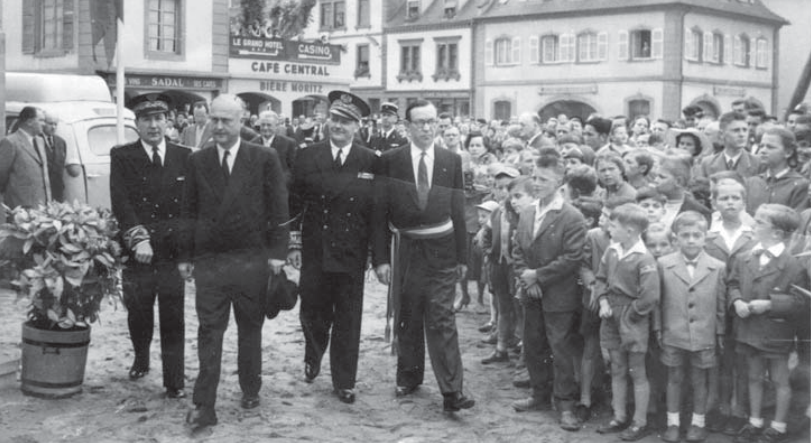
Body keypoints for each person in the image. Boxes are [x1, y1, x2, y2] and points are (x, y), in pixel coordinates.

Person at [179, 94, 289, 430]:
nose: (220, 127)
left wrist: (277, 254)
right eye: (214, 119)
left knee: (249, 328)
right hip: (211, 262)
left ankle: (250, 386)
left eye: (227, 120)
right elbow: (188, 211)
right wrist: (184, 255)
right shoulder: (198, 161)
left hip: (250, 261)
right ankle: (203, 404)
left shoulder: (264, 157)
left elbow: (278, 208)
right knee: (209, 331)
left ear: (242, 121)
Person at [373, 99, 475, 413]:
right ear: (407, 126)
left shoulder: (450, 160)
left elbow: (459, 211)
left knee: (442, 319)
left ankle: (452, 391)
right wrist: (380, 259)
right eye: (420, 122)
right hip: (407, 250)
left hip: (442, 251)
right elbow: (379, 213)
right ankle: (409, 376)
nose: (427, 128)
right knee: (409, 315)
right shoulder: (390, 160)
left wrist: (463, 257)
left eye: (432, 122)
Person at [287, 91, 383, 405]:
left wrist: (374, 254)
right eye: (335, 119)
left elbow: (375, 212)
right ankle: (313, 355)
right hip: (315, 248)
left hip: (351, 252)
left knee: (348, 318)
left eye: (346, 122)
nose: (338, 126)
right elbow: (294, 202)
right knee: (312, 311)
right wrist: (294, 241)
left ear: (358, 126)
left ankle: (344, 380)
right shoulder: (307, 155)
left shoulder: (370, 160)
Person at [109, 93, 190, 399]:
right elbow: (122, 202)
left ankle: (174, 380)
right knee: (139, 313)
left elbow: (189, 207)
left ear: (168, 122)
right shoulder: (123, 156)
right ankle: (141, 357)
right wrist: (138, 238)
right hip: (138, 252)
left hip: (171, 253)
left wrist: (186, 250)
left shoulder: (185, 155)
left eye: (159, 119)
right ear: (137, 124)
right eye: (147, 120)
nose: (154, 126)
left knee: (173, 316)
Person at [512, 151, 586, 431]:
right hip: (531, 293)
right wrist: (527, 280)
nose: (537, 182)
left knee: (560, 349)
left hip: (559, 296)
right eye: (534, 177)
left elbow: (571, 258)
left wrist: (539, 277)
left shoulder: (571, 216)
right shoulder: (529, 211)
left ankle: (566, 404)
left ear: (559, 181)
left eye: (543, 178)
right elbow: (518, 248)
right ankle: (539, 395)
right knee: (533, 345)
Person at [728, 204, 809, 443]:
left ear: (776, 233)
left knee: (779, 379)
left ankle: (778, 425)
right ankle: (754, 421)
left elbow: (800, 300)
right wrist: (737, 302)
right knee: (753, 376)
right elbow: (732, 284)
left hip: (776, 332)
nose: (754, 224)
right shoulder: (744, 258)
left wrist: (770, 304)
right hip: (749, 328)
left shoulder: (793, 264)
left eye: (760, 222)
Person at [654, 211, 727, 443]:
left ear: (705, 237)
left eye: (697, 235)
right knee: (674, 377)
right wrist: (658, 328)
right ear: (676, 238)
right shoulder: (663, 264)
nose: (692, 240)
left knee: (699, 379)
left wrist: (720, 332)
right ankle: (673, 423)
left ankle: (698, 423)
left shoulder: (718, 267)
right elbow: (657, 301)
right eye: (685, 235)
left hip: (704, 335)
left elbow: (721, 306)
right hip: (672, 333)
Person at [594, 203, 660, 441]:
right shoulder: (612, 251)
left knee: (637, 371)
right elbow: (600, 279)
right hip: (610, 314)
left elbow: (650, 295)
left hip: (632, 319)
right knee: (617, 367)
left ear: (630, 230)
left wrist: (630, 315)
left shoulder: (644, 258)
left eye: (613, 225)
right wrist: (602, 302)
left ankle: (639, 422)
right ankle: (619, 416)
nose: (609, 229)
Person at [745, 127, 809, 214]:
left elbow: (798, 220)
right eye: (761, 146)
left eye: (770, 147)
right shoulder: (752, 182)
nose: (763, 150)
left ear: (788, 153)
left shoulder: (799, 185)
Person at [0, 106, 52, 209]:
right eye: (41, 120)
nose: (44, 124)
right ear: (29, 122)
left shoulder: (40, 141)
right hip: (21, 208)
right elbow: (1, 175)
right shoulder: (10, 142)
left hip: (43, 206)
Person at [697, 112, 762, 180]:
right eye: (736, 130)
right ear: (721, 134)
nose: (742, 135)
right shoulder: (708, 163)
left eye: (745, 130)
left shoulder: (758, 163)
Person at [252, 110, 297, 185]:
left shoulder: (288, 143)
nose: (265, 128)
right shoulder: (252, 144)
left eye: (269, 125)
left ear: (276, 126)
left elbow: (293, 169)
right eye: (263, 125)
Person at [41, 112, 70, 202]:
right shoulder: (36, 141)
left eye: (55, 124)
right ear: (43, 123)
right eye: (50, 123)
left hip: (57, 191)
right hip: (42, 190)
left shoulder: (61, 142)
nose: (53, 127)